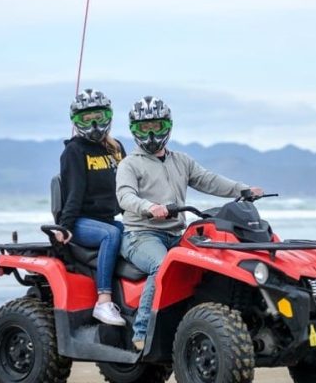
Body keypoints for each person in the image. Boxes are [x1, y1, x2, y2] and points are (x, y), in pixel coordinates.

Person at [116, 96, 263, 350]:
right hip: (141, 235)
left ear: (168, 127)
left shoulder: (181, 161)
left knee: (214, 262)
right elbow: (125, 196)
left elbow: (209, 180)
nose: (151, 133)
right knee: (162, 266)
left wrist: (243, 189)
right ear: (134, 130)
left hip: (176, 234)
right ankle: (142, 332)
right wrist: (149, 207)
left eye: (157, 126)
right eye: (144, 127)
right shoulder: (129, 164)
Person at [54, 88, 126, 326]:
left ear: (109, 116)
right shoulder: (74, 151)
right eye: (86, 118)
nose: (94, 122)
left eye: (99, 116)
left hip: (108, 218)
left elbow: (126, 190)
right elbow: (73, 194)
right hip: (80, 221)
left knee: (135, 235)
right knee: (111, 234)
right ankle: (103, 301)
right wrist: (64, 227)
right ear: (76, 121)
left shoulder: (116, 149)